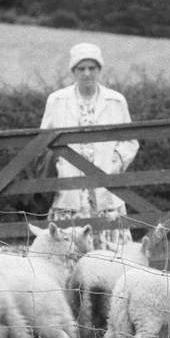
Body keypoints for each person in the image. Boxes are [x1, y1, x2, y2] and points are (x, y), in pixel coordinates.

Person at [39, 41, 139, 250]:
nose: (86, 73)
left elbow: (130, 141)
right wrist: (58, 166)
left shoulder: (116, 100)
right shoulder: (57, 100)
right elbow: (43, 142)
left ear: (99, 70)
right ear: (73, 71)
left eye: (91, 68)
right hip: (69, 185)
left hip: (105, 183)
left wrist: (115, 164)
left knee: (112, 255)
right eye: (81, 68)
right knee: (68, 252)